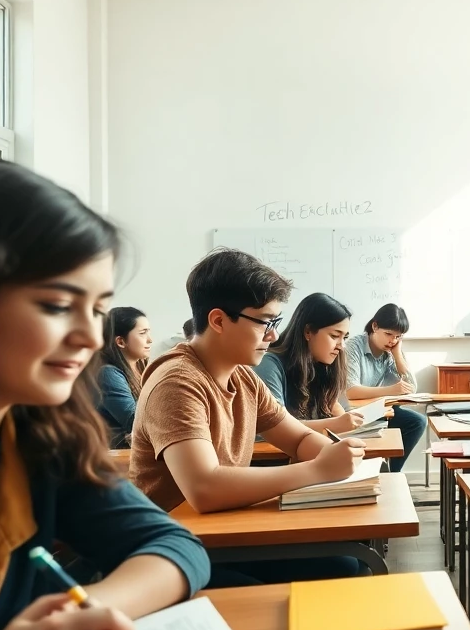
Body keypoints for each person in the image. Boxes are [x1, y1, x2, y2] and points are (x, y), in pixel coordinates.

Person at [0, 158, 209, 630]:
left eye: (95, 308)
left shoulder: (37, 439)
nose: (90, 336)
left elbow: (174, 546)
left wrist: (85, 615)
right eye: (55, 305)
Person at [129, 248, 366, 583]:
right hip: (171, 550)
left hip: (217, 532)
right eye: (266, 322)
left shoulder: (243, 377)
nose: (273, 335)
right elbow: (205, 488)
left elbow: (296, 437)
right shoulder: (177, 382)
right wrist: (318, 469)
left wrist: (333, 456)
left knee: (342, 564)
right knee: (330, 575)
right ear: (219, 320)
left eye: (276, 323)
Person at [255, 292, 364, 435]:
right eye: (335, 336)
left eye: (345, 337)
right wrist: (337, 423)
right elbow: (276, 426)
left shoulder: (323, 366)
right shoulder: (269, 365)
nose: (341, 345)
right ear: (308, 332)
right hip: (276, 455)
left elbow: (339, 410)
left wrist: (344, 417)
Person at [344, 303, 428, 472]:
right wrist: (390, 390)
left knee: (417, 422)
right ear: (375, 326)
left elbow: (411, 387)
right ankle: (384, 471)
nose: (393, 340)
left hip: (374, 409)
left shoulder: (390, 351)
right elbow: (351, 391)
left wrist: (397, 354)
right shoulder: (354, 347)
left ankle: (392, 472)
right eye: (389, 334)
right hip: (351, 412)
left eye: (398, 337)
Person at [92, 306, 153, 448]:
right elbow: (136, 421)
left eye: (149, 332)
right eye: (143, 333)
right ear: (120, 341)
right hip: (118, 456)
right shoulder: (108, 373)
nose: (150, 340)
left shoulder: (142, 367)